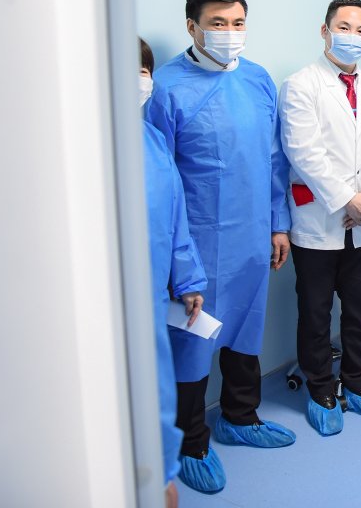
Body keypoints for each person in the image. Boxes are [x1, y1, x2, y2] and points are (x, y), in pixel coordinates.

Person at [146, 0, 295, 494]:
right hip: (198, 242)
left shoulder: (256, 79)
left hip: (253, 236)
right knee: (193, 339)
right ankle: (191, 442)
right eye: (217, 23)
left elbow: (274, 159)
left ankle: (240, 416)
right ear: (192, 27)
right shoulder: (165, 88)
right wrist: (179, 261)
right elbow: (160, 176)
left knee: (246, 328)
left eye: (237, 23)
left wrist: (278, 223)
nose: (230, 33)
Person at [279, 0, 361, 435]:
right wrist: (346, 199)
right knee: (315, 312)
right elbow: (304, 152)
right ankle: (320, 389)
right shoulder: (301, 85)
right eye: (344, 27)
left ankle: (358, 381)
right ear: (325, 31)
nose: (353, 36)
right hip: (319, 220)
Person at [141, 38, 208, 507]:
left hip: (150, 294)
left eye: (143, 70)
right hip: (104, 300)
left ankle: (162, 471)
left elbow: (175, 217)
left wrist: (187, 279)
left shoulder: (152, 141)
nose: (139, 80)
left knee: (156, 386)